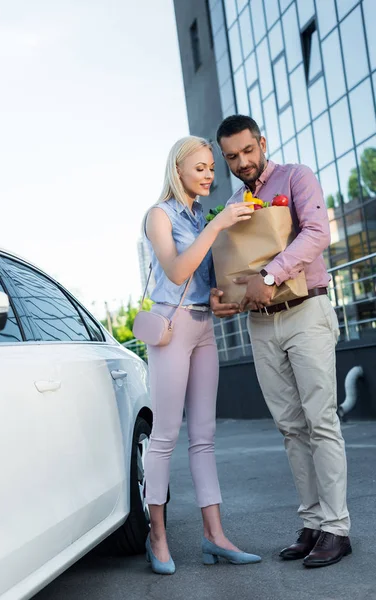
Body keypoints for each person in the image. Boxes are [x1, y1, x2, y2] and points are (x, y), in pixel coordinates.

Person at [210, 115, 351, 568]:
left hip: (306, 312)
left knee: (320, 421)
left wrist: (270, 274)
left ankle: (337, 528)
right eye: (231, 156)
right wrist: (224, 296)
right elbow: (231, 263)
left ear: (261, 143)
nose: (242, 162)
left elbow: (316, 234)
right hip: (261, 324)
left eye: (247, 151)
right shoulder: (233, 203)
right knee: (291, 428)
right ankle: (312, 523)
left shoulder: (296, 177)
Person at [143, 135, 261, 574]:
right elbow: (175, 269)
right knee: (165, 436)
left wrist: (217, 297)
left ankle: (215, 536)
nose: (210, 174)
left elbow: (199, 282)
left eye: (212, 167)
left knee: (205, 437)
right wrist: (218, 225)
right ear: (178, 171)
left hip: (202, 327)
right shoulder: (159, 215)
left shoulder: (200, 217)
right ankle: (158, 538)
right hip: (171, 330)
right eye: (201, 168)